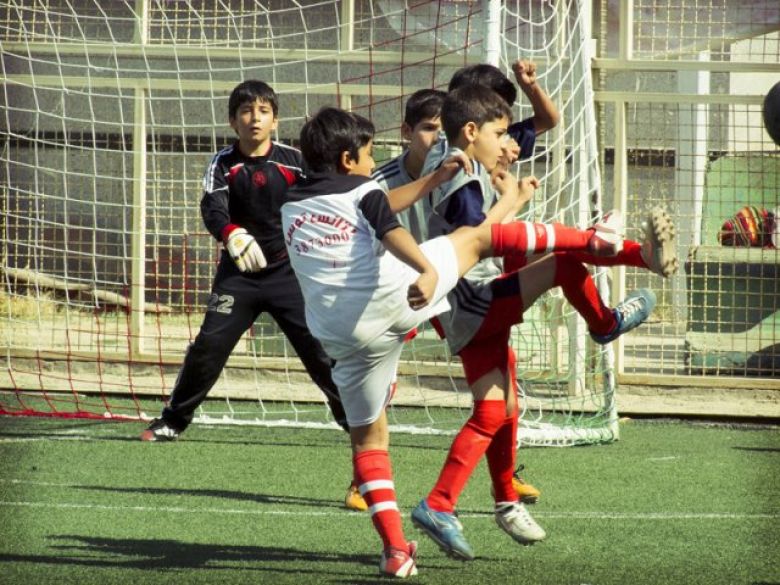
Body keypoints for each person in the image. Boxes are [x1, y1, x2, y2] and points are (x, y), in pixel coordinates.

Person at [281, 101, 631, 578]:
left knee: (369, 441)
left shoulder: (292, 200)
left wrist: (431, 181)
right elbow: (387, 225)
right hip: (397, 299)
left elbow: (379, 203)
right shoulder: (364, 188)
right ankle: (601, 241)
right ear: (347, 160)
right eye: (366, 153)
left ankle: (397, 551)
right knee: (475, 239)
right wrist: (426, 270)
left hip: (338, 336)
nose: (370, 162)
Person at [409, 82, 675, 561]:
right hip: (473, 298)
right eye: (501, 132)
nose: (509, 144)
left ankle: (447, 503)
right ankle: (615, 305)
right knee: (563, 262)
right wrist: (513, 199)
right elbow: (483, 238)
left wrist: (508, 184)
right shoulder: (463, 176)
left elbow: (479, 229)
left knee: (495, 412)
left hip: (458, 307)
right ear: (471, 131)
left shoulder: (447, 161)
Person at [341, 86, 541, 513]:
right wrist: (511, 200)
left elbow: (539, 125)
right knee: (377, 379)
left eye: (439, 129)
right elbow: (474, 236)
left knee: (501, 382)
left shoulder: (465, 168)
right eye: (427, 129)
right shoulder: (386, 181)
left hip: (441, 285)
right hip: (397, 287)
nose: (434, 138)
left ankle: (505, 481)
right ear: (408, 132)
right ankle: (365, 478)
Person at [140, 80, 347, 442]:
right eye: (247, 111)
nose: (255, 118)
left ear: (275, 120)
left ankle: (355, 422)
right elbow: (211, 206)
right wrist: (231, 232)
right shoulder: (222, 163)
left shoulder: (294, 161)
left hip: (288, 273)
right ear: (233, 121)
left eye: (263, 111)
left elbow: (323, 195)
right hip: (239, 276)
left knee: (318, 351)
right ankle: (173, 420)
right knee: (208, 347)